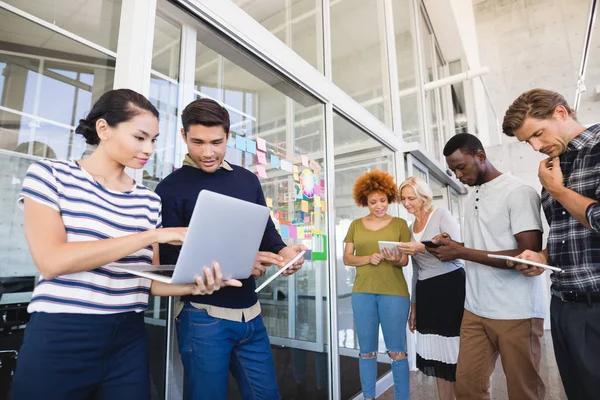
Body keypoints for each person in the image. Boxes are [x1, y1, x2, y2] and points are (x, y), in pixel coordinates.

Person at [10, 89, 234, 400]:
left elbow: (147, 282)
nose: (149, 148)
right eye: (140, 137)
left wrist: (200, 285)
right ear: (103, 129)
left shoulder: (148, 200)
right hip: (63, 332)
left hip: (128, 336)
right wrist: (152, 235)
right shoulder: (50, 176)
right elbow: (52, 260)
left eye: (154, 140)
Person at [155, 98, 307, 400]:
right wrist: (238, 262)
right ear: (184, 136)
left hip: (251, 316)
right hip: (203, 319)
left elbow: (266, 232)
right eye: (198, 142)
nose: (208, 152)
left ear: (228, 138)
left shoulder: (247, 180)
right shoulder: (169, 189)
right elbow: (169, 266)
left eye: (217, 142)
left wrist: (284, 254)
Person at [427, 133, 546, 400]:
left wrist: (463, 251)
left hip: (516, 310)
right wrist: (454, 245)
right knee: (468, 388)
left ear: (480, 156)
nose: (457, 175)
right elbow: (484, 245)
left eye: (461, 167)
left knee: (523, 391)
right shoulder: (473, 196)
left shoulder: (519, 192)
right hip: (475, 309)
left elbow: (527, 254)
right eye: (453, 169)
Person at [503, 88, 600, 400]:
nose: (535, 146)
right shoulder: (553, 169)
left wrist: (558, 192)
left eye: (537, 134)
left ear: (561, 113)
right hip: (563, 307)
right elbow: (571, 236)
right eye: (527, 141)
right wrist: (542, 256)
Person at [342, 170, 411, 400]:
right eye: (373, 202)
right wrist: (367, 258)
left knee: (397, 351)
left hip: (395, 293)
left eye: (383, 200)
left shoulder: (400, 224)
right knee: (366, 351)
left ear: (389, 198)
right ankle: (369, 397)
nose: (379, 206)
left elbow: (405, 260)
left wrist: (395, 258)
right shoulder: (355, 225)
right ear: (365, 202)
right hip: (363, 293)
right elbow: (347, 258)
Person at [396, 177, 464, 400]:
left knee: (455, 351)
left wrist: (422, 247)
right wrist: (414, 309)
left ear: (423, 197)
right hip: (426, 292)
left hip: (450, 287)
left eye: (411, 198)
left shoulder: (441, 215)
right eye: (403, 199)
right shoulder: (408, 228)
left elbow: (458, 250)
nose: (406, 203)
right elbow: (416, 272)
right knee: (437, 355)